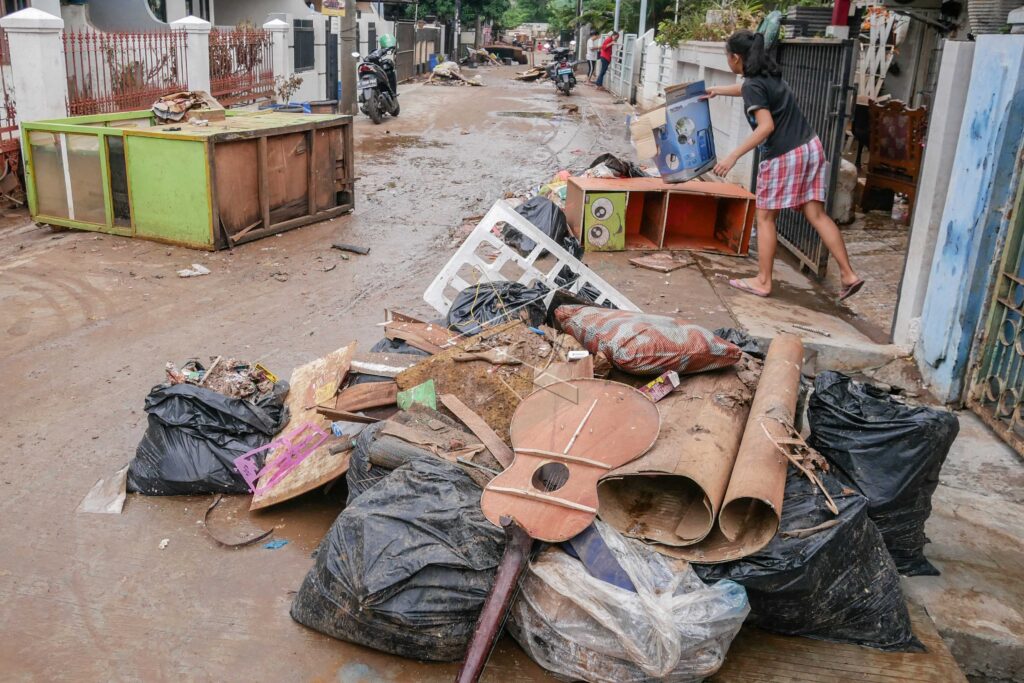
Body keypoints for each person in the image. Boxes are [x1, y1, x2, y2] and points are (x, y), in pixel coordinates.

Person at [703, 30, 863, 301]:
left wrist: (733, 156)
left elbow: (766, 126)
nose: (728, 61)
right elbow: (748, 90)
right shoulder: (767, 74)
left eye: (728, 57)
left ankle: (763, 281)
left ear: (736, 58)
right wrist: (717, 90)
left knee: (765, 218)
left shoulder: (753, 84)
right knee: (817, 214)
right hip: (810, 146)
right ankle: (849, 275)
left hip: (784, 154)